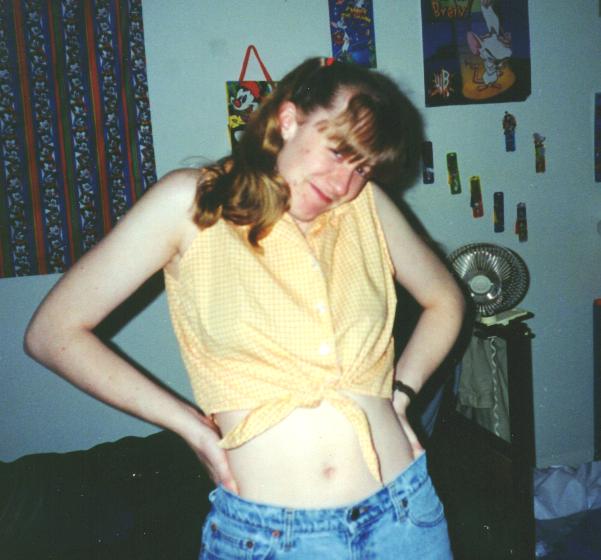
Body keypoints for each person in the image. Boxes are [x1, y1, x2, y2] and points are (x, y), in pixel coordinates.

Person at [25, 57, 465, 559]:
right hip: (271, 538)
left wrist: (401, 394)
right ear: (289, 119)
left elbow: (445, 299)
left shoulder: (366, 207)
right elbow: (53, 332)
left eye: (362, 168)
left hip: (403, 518)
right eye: (338, 151)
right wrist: (192, 427)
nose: (343, 184)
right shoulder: (192, 201)